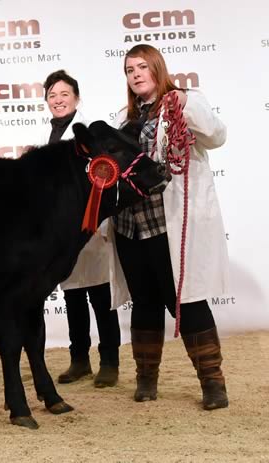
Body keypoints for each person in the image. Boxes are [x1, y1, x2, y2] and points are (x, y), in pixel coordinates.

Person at [109, 44, 229, 409]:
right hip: (130, 227)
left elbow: (217, 136)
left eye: (143, 67)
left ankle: (212, 383)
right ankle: (146, 379)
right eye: (130, 70)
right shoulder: (122, 120)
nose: (136, 74)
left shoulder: (183, 104)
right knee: (144, 303)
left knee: (187, 302)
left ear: (158, 69)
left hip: (169, 225)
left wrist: (184, 102)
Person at [41, 70, 121, 388]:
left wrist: (101, 222)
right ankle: (79, 361)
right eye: (52, 96)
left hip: (95, 230)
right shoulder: (47, 136)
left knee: (102, 298)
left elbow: (108, 182)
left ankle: (110, 361)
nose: (58, 100)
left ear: (77, 98)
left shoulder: (93, 135)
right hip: (65, 231)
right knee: (73, 297)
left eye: (64, 94)